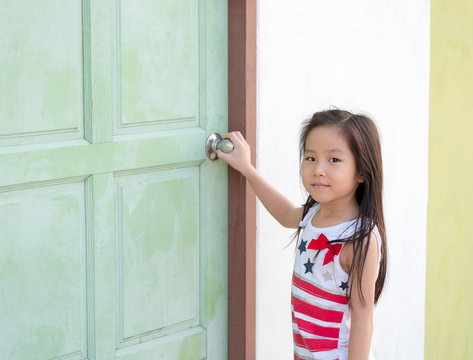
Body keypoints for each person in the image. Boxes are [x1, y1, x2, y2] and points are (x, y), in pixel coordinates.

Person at [216, 109, 387, 360]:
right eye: (310, 158)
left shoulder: (360, 239)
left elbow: (363, 320)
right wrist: (247, 169)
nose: (318, 169)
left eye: (334, 160)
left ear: (361, 172)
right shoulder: (314, 213)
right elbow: (285, 213)